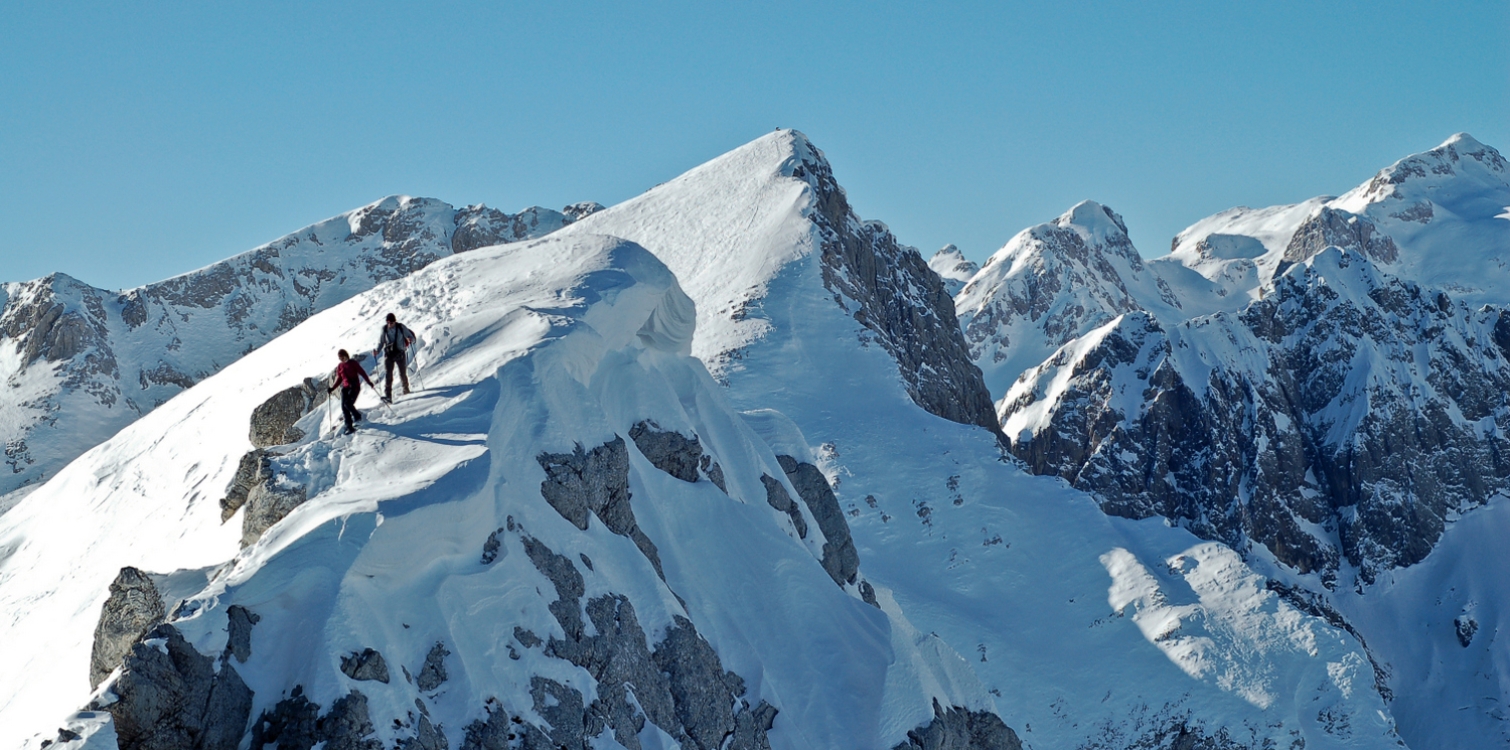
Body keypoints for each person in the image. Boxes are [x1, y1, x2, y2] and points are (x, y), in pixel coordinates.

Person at [328, 349, 376, 435]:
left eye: (341, 357)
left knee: (348, 404)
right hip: (345, 388)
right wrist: (332, 388)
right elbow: (339, 379)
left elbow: (362, 372)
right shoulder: (340, 366)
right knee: (344, 407)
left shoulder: (353, 363)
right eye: (339, 358)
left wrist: (369, 382)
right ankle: (349, 426)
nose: (341, 359)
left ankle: (358, 417)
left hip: (354, 387)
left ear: (346, 355)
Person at [374, 313, 416, 401]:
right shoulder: (384, 329)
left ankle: (406, 390)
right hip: (389, 354)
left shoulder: (401, 327)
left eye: (391, 322)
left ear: (395, 321)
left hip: (400, 353)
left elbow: (411, 337)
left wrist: (410, 339)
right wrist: (377, 350)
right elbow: (381, 342)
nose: (390, 324)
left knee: (402, 373)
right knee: (388, 374)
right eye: (388, 322)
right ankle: (388, 395)